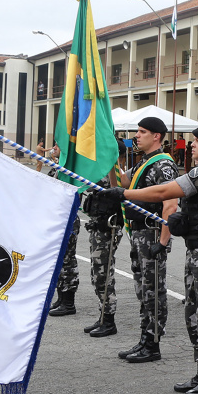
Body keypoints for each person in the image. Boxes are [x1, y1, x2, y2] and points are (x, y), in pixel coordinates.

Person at [95, 123, 198, 394]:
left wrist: (123, 195)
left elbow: (165, 193)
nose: (192, 145)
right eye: (193, 140)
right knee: (194, 315)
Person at [116, 117, 179, 363]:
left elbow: (170, 205)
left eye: (142, 132)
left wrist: (162, 243)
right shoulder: (144, 162)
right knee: (143, 289)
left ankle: (153, 343)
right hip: (140, 233)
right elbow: (124, 183)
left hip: (152, 233)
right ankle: (145, 338)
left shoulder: (163, 165)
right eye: (136, 131)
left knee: (153, 290)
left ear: (156, 136)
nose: (136, 135)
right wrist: (112, 160)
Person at [81, 139, 127, 338]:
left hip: (108, 227)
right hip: (97, 226)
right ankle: (103, 315)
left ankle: (109, 320)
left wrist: (112, 161)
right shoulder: (98, 169)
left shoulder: (115, 170)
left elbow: (121, 186)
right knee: (96, 273)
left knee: (103, 273)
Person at [50, 214, 81, 316]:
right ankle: (61, 299)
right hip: (60, 218)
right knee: (60, 260)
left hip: (67, 219)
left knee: (67, 260)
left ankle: (68, 304)